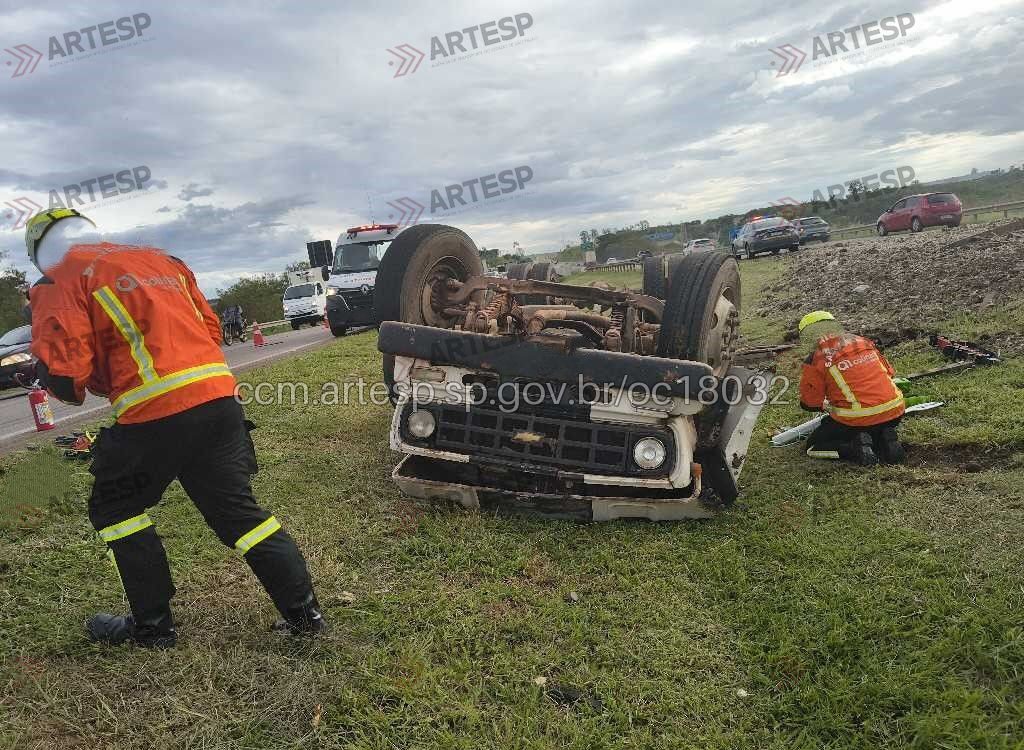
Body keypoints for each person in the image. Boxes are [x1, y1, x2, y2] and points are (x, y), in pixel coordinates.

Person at [25, 208, 325, 648]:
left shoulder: (58, 279)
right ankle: (305, 615)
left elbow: (69, 381)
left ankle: (153, 627)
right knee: (239, 514)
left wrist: (42, 368)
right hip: (219, 401)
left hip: (155, 412)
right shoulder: (162, 260)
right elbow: (210, 329)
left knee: (115, 509)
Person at [798, 310, 906, 466]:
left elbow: (810, 403)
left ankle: (853, 449)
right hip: (895, 413)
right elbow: (889, 372)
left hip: (856, 420)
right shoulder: (862, 341)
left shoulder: (815, 358)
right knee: (871, 425)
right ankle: (884, 437)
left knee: (813, 446)